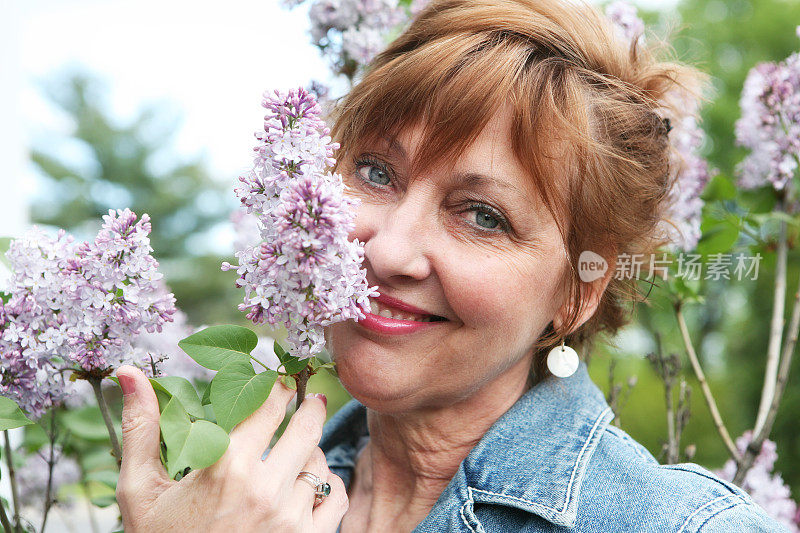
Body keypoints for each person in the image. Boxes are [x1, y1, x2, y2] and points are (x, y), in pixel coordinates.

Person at [113, 0, 788, 531]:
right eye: (376, 172)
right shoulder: (222, 492)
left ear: (578, 292)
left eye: (482, 215)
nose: (388, 251)